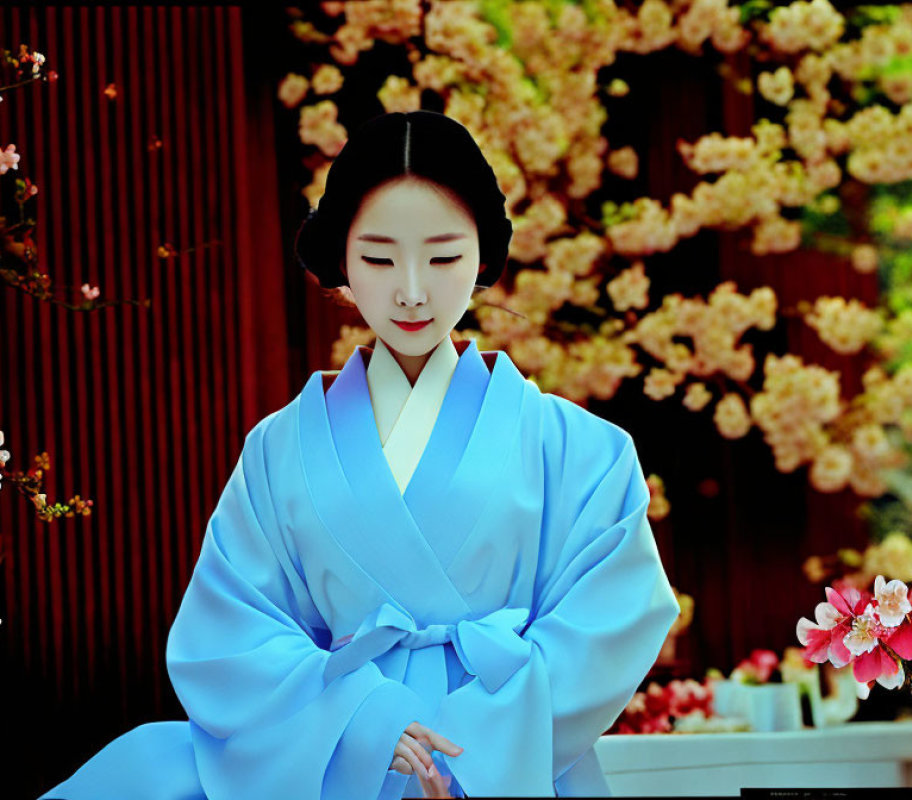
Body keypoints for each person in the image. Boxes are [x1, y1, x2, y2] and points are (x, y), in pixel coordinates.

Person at [39, 110, 681, 800]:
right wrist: (361, 723)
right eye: (378, 258)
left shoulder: (579, 448)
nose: (411, 290)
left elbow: (612, 615)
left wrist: (476, 749)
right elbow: (231, 632)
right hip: (342, 757)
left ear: (484, 258)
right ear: (341, 258)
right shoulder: (278, 450)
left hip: (513, 761)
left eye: (442, 257)